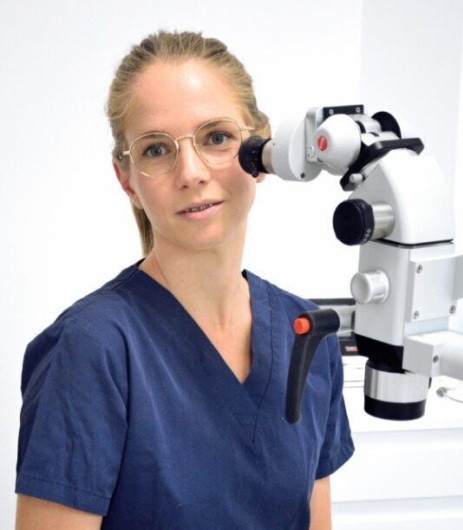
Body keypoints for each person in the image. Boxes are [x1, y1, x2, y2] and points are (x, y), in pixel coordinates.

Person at [15, 30, 354, 529]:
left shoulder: (307, 334)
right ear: (127, 180)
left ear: (263, 152)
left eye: (216, 138)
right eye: (157, 149)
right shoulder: (93, 349)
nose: (191, 172)